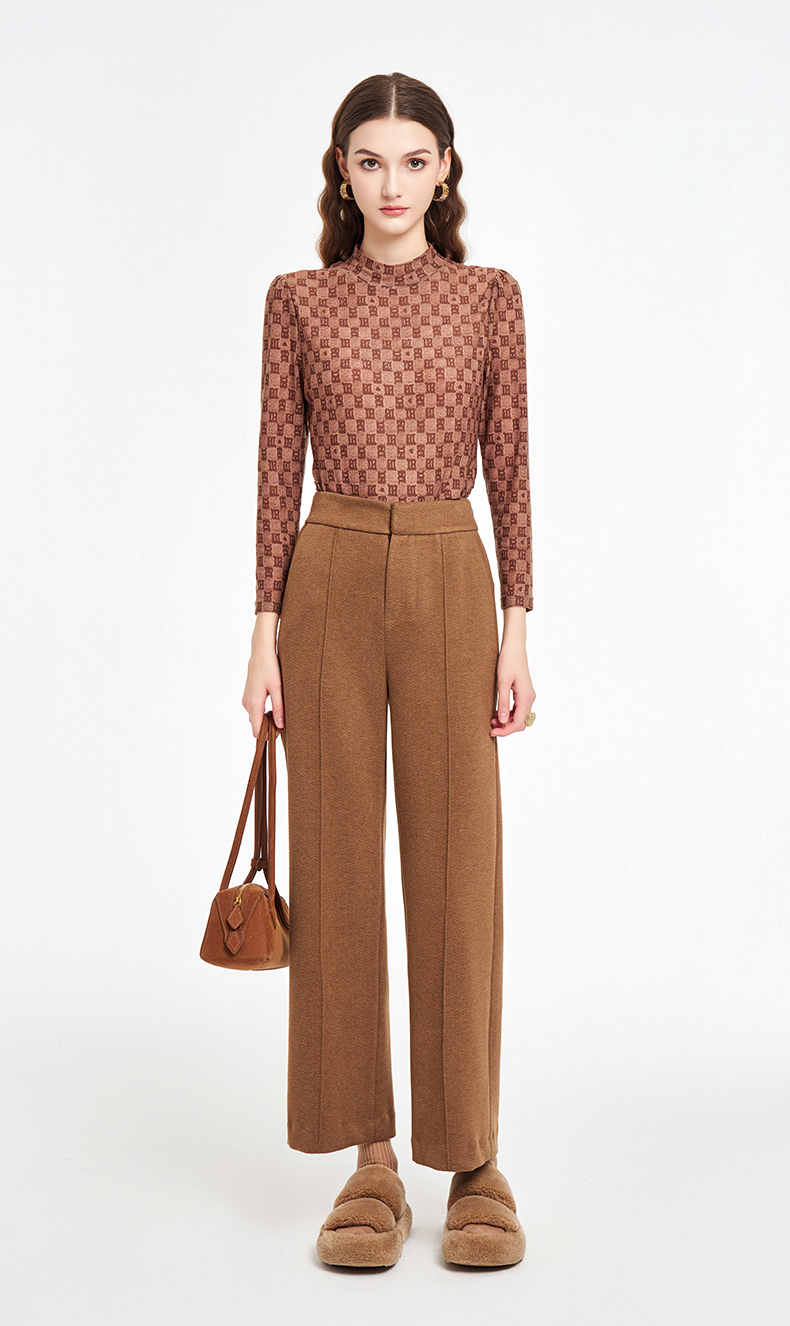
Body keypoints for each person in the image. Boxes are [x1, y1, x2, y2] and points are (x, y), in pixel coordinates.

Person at [242, 71, 536, 1269]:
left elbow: (510, 463)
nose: (394, 182)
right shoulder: (299, 300)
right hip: (327, 573)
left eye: (415, 159)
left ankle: (471, 1157)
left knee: (458, 863)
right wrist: (260, 627)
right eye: (371, 160)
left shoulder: (489, 298)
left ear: (446, 170)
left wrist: (519, 624)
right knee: (336, 858)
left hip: (453, 574)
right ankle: (370, 1158)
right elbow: (277, 464)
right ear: (342, 172)